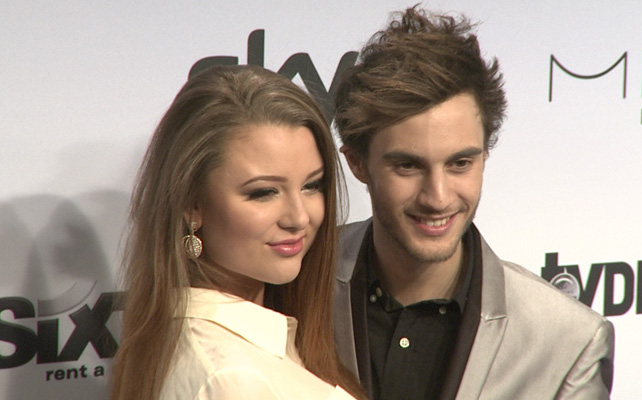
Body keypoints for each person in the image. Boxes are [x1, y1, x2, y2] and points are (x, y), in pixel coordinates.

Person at [332, 7, 614, 400]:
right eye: (408, 166)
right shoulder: (294, 283)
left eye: (460, 163)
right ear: (358, 163)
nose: (438, 197)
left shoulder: (568, 341)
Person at [111, 65, 365, 399]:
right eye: (263, 192)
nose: (299, 217)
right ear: (191, 202)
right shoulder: (233, 377)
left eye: (312, 185)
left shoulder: (204, 342)